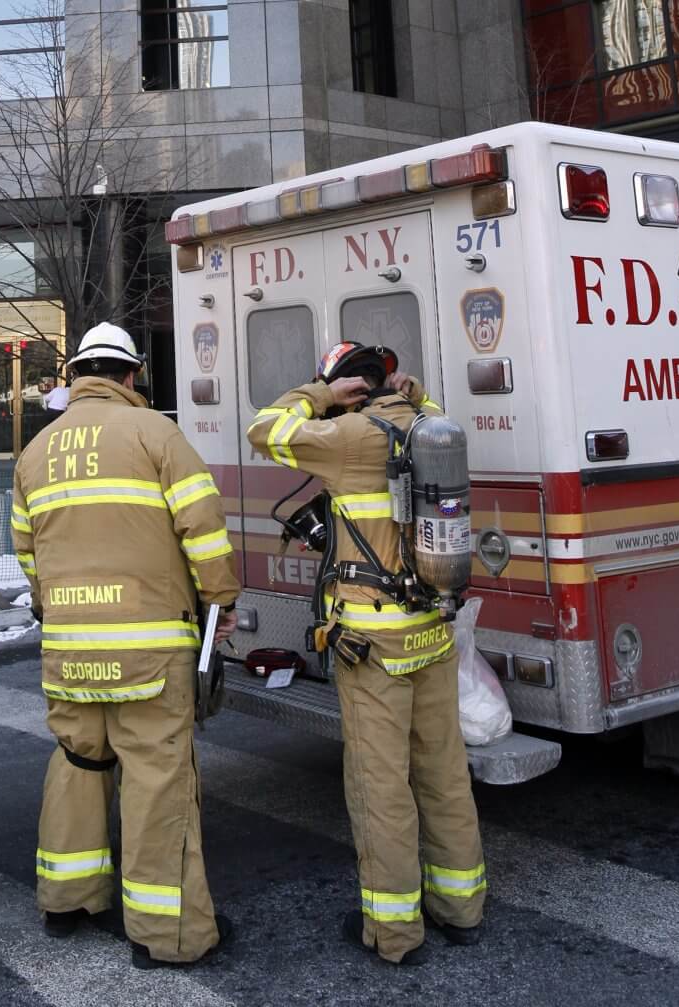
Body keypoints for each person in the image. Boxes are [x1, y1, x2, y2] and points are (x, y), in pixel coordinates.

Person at [246, 342, 486, 966]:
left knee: (381, 785)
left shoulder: (347, 436)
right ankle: (461, 908)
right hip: (433, 630)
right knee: (443, 773)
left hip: (372, 644)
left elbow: (263, 430)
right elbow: (428, 411)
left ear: (347, 387)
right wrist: (413, 391)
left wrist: (320, 397)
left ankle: (394, 932)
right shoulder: (432, 427)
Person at [12, 322, 241, 968]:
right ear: (133, 376)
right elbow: (203, 528)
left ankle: (67, 896)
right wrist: (221, 603)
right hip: (149, 649)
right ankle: (167, 934)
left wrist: (57, 609)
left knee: (79, 762)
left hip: (69, 649)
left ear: (78, 374)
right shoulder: (157, 436)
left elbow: (28, 554)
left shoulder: (36, 452)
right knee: (157, 777)